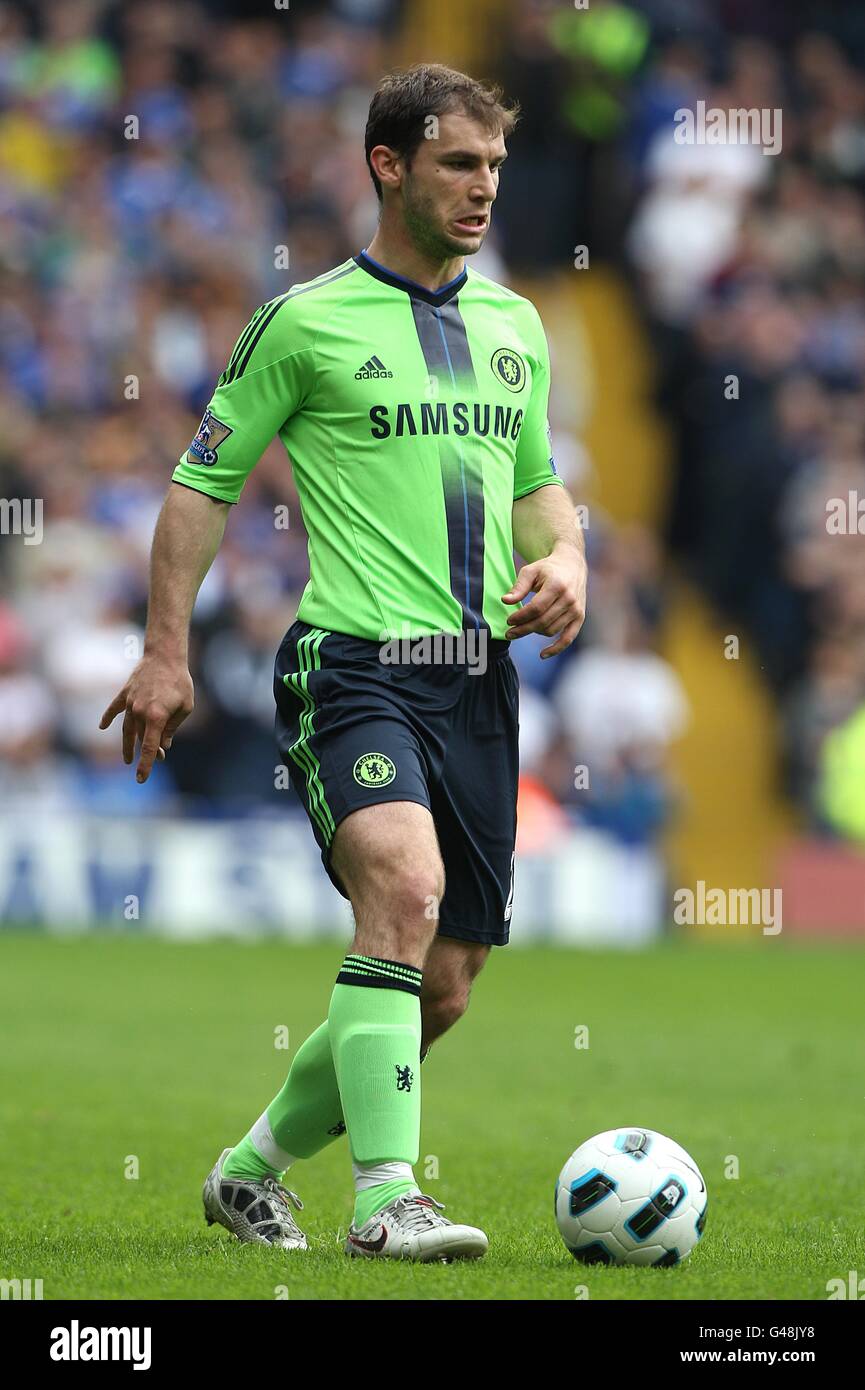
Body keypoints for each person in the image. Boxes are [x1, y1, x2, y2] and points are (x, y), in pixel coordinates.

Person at [100, 63, 587, 1263]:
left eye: (493, 169)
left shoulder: (514, 326)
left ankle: (251, 1168)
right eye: (457, 166)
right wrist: (164, 651)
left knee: (445, 981)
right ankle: (387, 1199)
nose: (482, 192)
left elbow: (534, 486)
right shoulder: (304, 321)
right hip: (354, 666)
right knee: (404, 893)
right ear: (388, 166)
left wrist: (570, 555)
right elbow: (199, 484)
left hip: (478, 679)